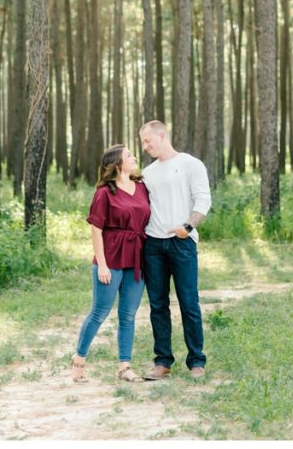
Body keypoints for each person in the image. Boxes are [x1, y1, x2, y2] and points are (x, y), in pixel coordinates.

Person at [71, 144, 151, 384]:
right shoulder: (105, 192)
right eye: (129, 155)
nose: (134, 157)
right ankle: (78, 360)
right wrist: (102, 265)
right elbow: (96, 231)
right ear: (116, 164)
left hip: (136, 256)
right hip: (111, 257)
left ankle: (125, 367)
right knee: (100, 312)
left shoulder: (141, 187)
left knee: (128, 314)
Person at [138, 120, 211, 379]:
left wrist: (187, 227)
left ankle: (197, 362)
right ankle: (163, 361)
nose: (145, 147)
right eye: (143, 142)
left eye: (148, 141)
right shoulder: (147, 173)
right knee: (158, 304)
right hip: (153, 245)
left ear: (162, 135)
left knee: (189, 302)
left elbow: (204, 199)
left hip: (182, 242)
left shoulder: (191, 164)